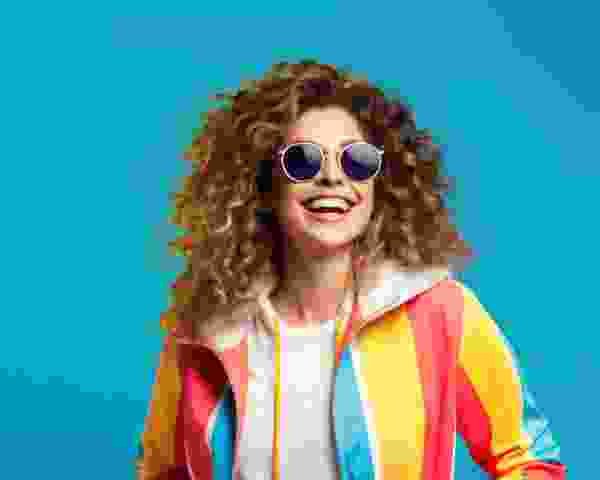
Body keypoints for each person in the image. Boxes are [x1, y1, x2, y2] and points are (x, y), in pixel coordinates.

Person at [136, 60, 567, 480]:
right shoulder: (203, 333)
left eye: (356, 161)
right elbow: (160, 471)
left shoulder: (440, 312)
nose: (332, 177)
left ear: (379, 184)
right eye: (303, 161)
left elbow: (529, 460)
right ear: (264, 184)